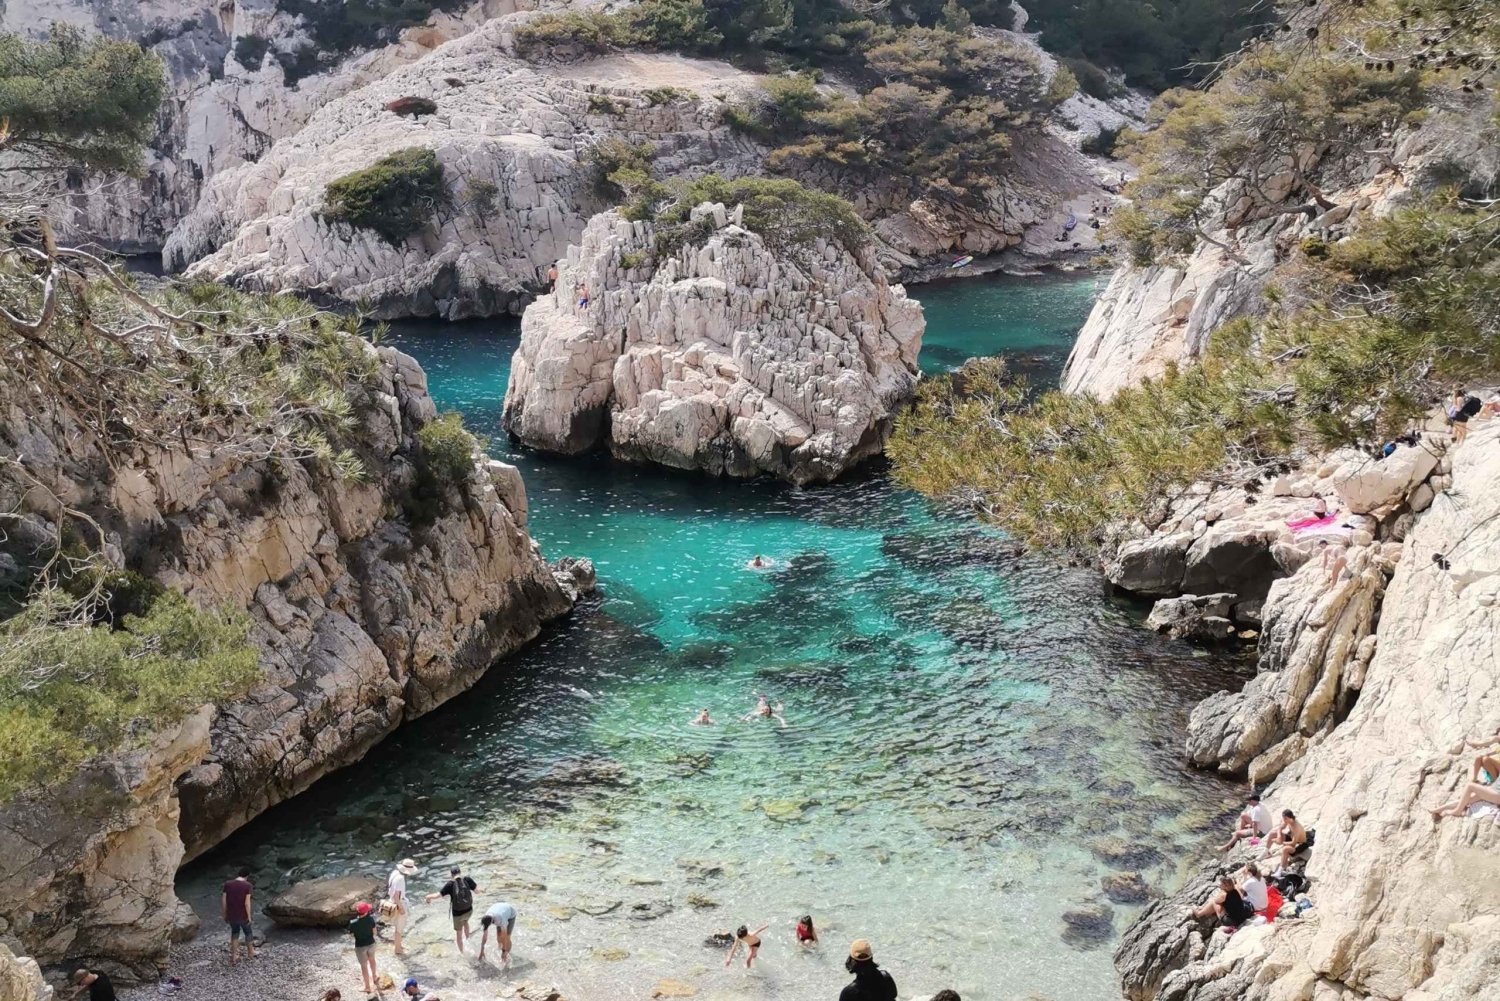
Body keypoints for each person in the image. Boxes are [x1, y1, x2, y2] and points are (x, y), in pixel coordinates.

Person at [426, 866, 478, 954]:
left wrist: (428, 897)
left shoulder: (450, 884)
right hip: (469, 910)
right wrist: (484, 890)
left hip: (458, 914)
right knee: (465, 921)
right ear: (460, 872)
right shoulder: (467, 879)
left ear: (451, 874)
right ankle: (468, 939)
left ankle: (462, 953)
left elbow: (437, 895)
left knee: (458, 934)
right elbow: (477, 891)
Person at [222, 865, 256, 964]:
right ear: (247, 876)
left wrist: (224, 914)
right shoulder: (247, 885)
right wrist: (249, 916)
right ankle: (251, 952)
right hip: (242, 915)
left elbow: (223, 901)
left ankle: (234, 956)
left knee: (235, 933)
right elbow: (247, 903)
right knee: (248, 932)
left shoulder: (227, 884)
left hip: (231, 915)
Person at [387, 858, 417, 955]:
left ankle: (398, 944)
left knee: (396, 926)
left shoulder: (394, 873)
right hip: (398, 903)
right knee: (399, 928)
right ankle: (398, 949)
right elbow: (397, 897)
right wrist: (402, 909)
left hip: (391, 902)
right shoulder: (400, 879)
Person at [348, 902, 379, 996]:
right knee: (372, 960)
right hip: (371, 943)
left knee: (364, 966)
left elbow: (351, 936)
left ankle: (367, 987)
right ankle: (374, 977)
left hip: (360, 946)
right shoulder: (370, 919)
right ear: (365, 912)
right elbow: (375, 933)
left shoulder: (352, 923)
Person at [1431, 779, 1500, 819]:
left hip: (1497, 794)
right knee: (1466, 800)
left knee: (1470, 786)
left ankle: (1457, 811)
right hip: (1494, 790)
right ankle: (1440, 809)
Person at [478, 901, 517, 966]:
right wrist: (482, 952)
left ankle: (506, 955)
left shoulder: (500, 920)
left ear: (491, 922)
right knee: (499, 937)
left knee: (507, 937)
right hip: (499, 909)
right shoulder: (486, 918)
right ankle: (501, 951)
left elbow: (504, 937)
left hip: (510, 914)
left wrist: (504, 951)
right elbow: (484, 937)